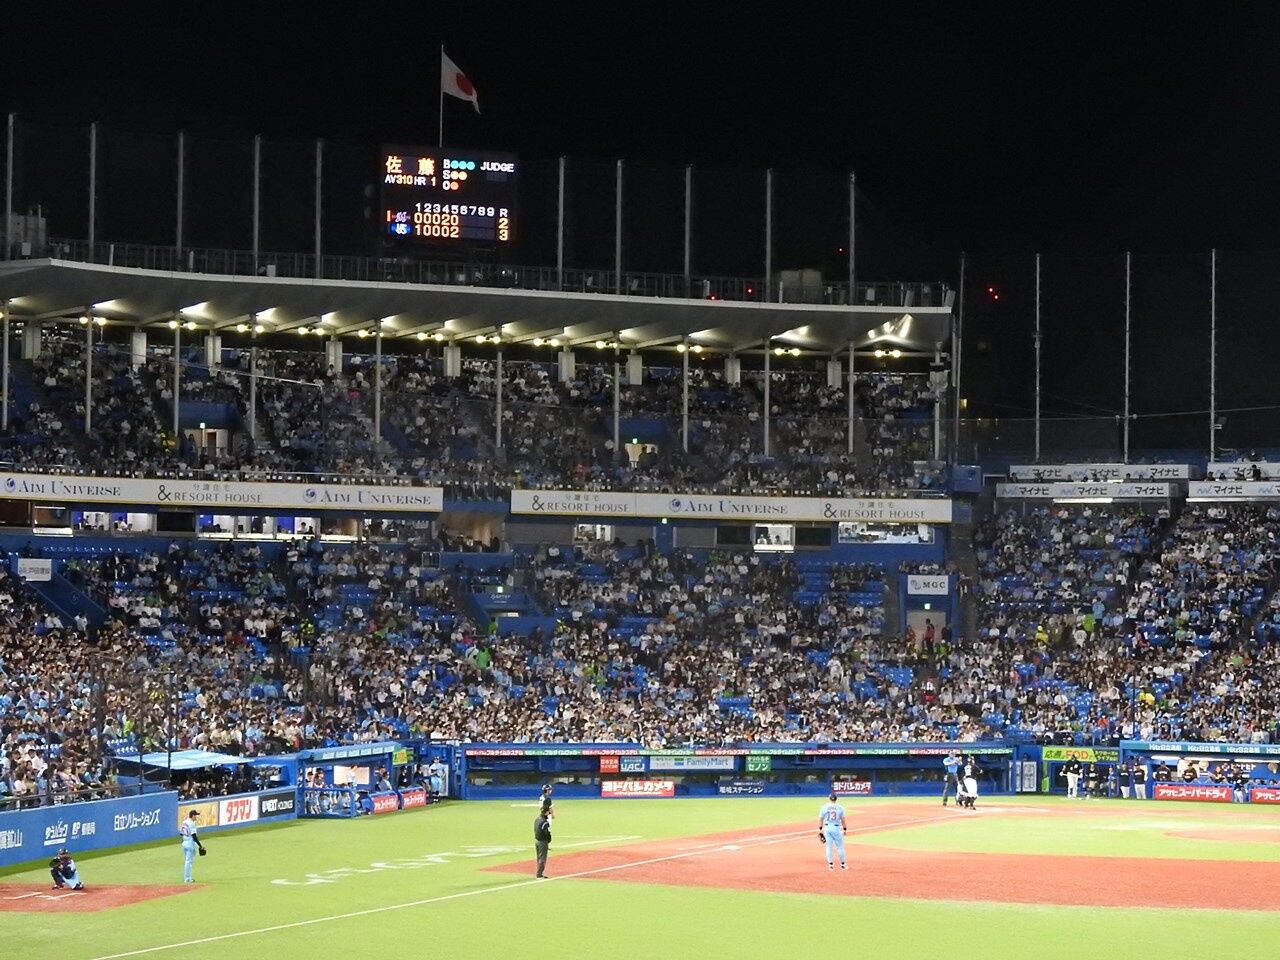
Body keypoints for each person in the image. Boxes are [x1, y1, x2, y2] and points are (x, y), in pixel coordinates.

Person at [818, 792, 848, 870]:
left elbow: (821, 819)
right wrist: (845, 829)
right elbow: (843, 820)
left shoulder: (824, 807)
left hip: (827, 828)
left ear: (829, 799)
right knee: (840, 847)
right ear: (836, 799)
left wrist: (820, 829)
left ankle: (830, 865)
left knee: (829, 847)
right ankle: (843, 865)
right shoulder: (840, 808)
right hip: (836, 828)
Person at [180, 809, 206, 884]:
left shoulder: (184, 822)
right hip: (190, 843)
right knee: (189, 862)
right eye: (195, 815)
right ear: (193, 815)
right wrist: (200, 845)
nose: (196, 817)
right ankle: (187, 879)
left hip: (184, 843)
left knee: (187, 861)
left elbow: (181, 833)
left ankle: (187, 878)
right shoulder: (192, 824)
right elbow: (194, 836)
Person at [533, 805, 553, 879]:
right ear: (546, 812)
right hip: (543, 841)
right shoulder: (544, 822)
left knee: (539, 857)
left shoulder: (537, 819)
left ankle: (539, 872)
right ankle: (539, 874)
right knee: (542, 858)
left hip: (537, 840)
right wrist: (548, 839)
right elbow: (546, 833)